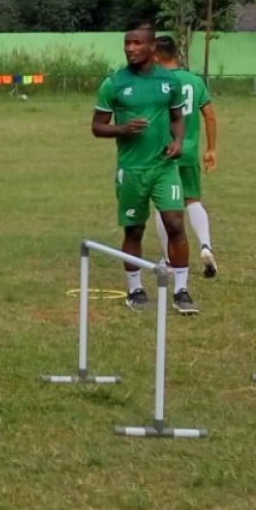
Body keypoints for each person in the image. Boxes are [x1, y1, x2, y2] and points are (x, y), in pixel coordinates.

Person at [92, 21, 197, 314]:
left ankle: (181, 291)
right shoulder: (114, 83)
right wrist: (123, 128)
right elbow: (97, 127)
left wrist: (177, 141)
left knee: (175, 223)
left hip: (164, 166)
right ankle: (135, 289)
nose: (130, 48)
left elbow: (177, 117)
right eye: (127, 43)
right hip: (131, 170)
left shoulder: (169, 82)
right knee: (135, 230)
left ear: (152, 48)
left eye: (137, 43)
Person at [151, 37, 219, 278]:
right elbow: (210, 116)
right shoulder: (194, 81)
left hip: (165, 152)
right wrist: (211, 149)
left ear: (157, 57)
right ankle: (205, 246)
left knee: (162, 206)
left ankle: (169, 260)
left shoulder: (158, 82)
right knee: (193, 200)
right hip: (189, 152)